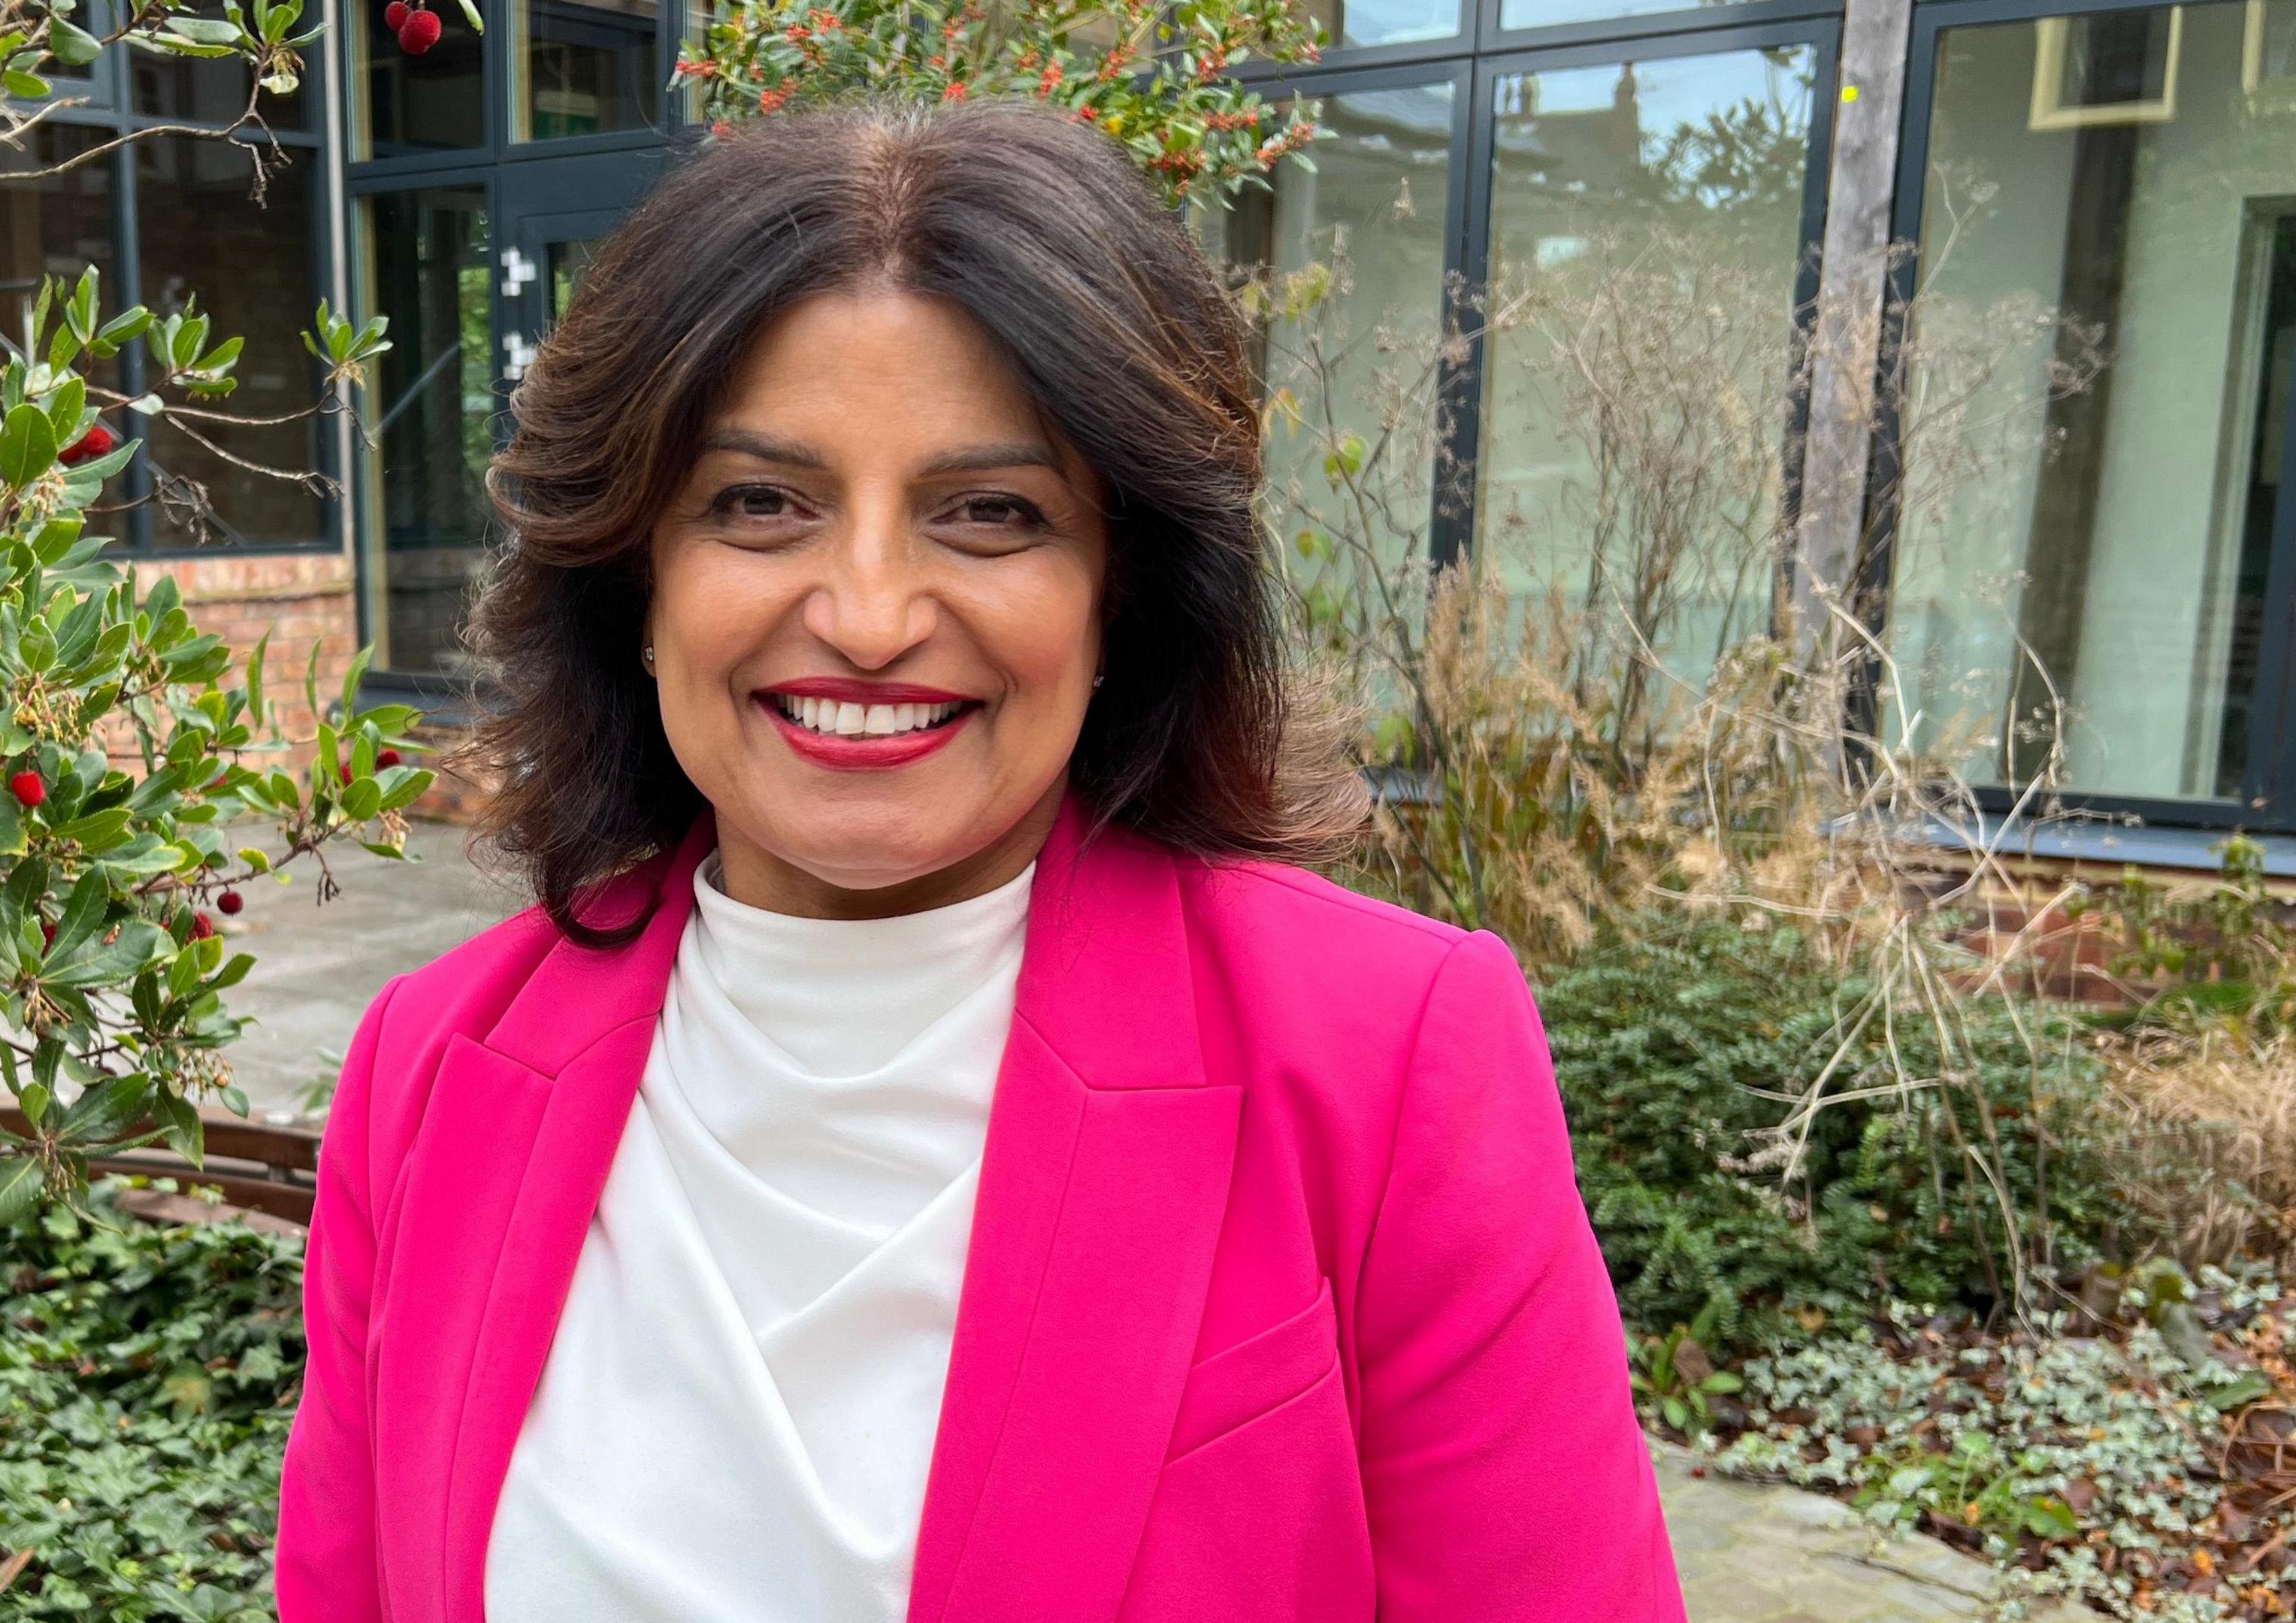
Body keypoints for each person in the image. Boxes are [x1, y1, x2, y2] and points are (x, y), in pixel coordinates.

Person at [275, 95, 1683, 1621]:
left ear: (1118, 590)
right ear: (635, 570)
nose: (870, 616)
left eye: (990, 513)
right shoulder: (429, 1072)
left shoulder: (1383, 1064)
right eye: (762, 503)